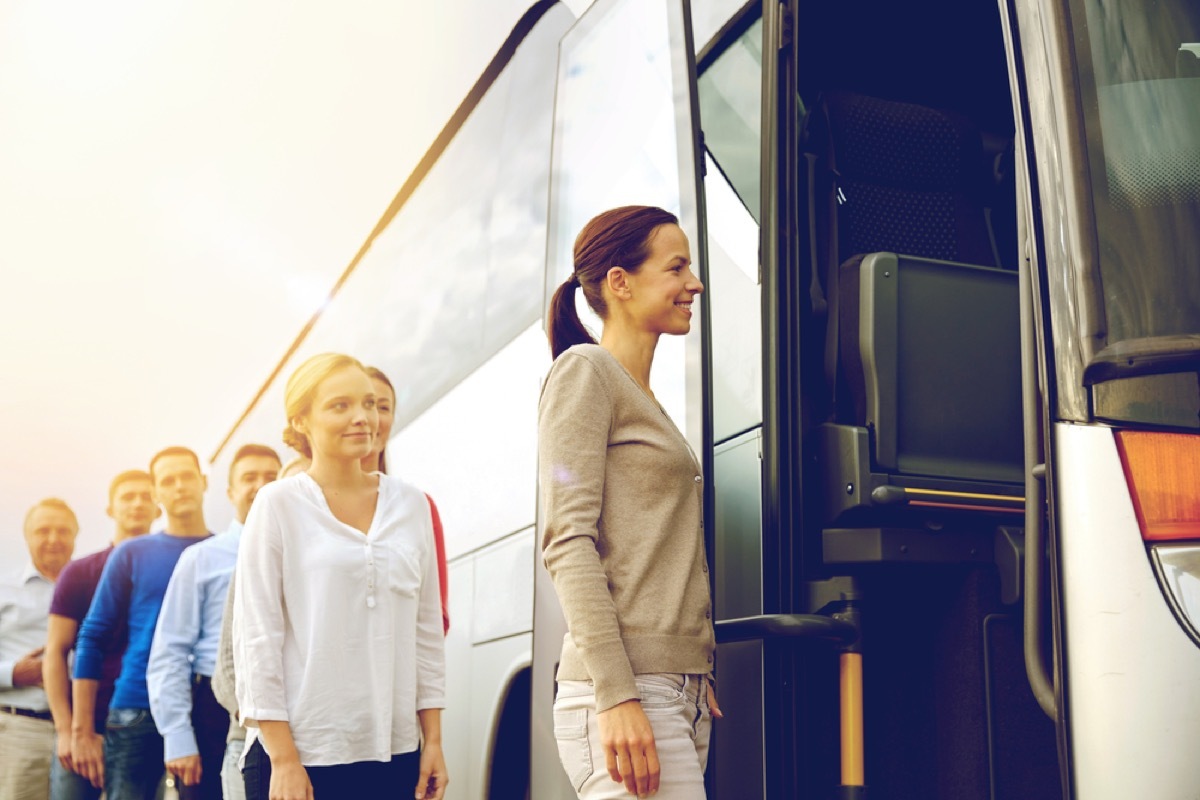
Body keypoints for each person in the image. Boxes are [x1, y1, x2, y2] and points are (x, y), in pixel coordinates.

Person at [538, 205, 721, 799]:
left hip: (675, 692)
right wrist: (617, 692)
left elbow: (660, 548)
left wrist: (691, 660)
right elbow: (567, 541)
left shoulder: (642, 395)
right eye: (676, 267)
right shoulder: (585, 371)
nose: (694, 283)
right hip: (628, 693)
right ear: (620, 282)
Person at [233, 352, 447, 800]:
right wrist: (284, 759)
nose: (362, 418)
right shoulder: (276, 504)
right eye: (340, 405)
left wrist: (434, 742)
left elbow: (426, 632)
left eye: (370, 403)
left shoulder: (412, 506)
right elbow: (257, 638)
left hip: (395, 754)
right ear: (301, 421)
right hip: (300, 757)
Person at [72, 447, 213, 800]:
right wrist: (81, 730)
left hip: (208, 708)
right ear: (156, 494)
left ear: (204, 482)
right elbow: (92, 637)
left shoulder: (225, 551)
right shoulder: (132, 553)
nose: (179, 486)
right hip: (136, 709)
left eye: (187, 477)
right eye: (168, 480)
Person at [147, 445, 280, 800]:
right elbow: (170, 651)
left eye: (272, 476)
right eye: (249, 477)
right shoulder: (201, 559)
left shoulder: (301, 550)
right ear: (230, 492)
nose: (261, 485)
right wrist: (177, 737)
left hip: (284, 700)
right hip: (213, 710)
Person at [44, 472, 159, 800]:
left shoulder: (171, 568)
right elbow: (56, 651)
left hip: (145, 727)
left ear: (158, 507)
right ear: (110, 509)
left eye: (146, 496)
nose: (137, 503)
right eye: (128, 497)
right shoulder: (80, 572)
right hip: (85, 724)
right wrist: (68, 732)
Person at [0, 498, 79, 800]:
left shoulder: (93, 587)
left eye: (63, 531)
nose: (53, 539)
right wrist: (15, 673)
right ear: (27, 535)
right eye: (43, 531)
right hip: (21, 731)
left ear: (75, 534)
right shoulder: (4, 590)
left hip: (81, 731)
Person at [364, 366, 450, 634]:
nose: (373, 419)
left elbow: (435, 615)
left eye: (384, 407)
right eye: (366, 405)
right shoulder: (301, 503)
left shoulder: (419, 506)